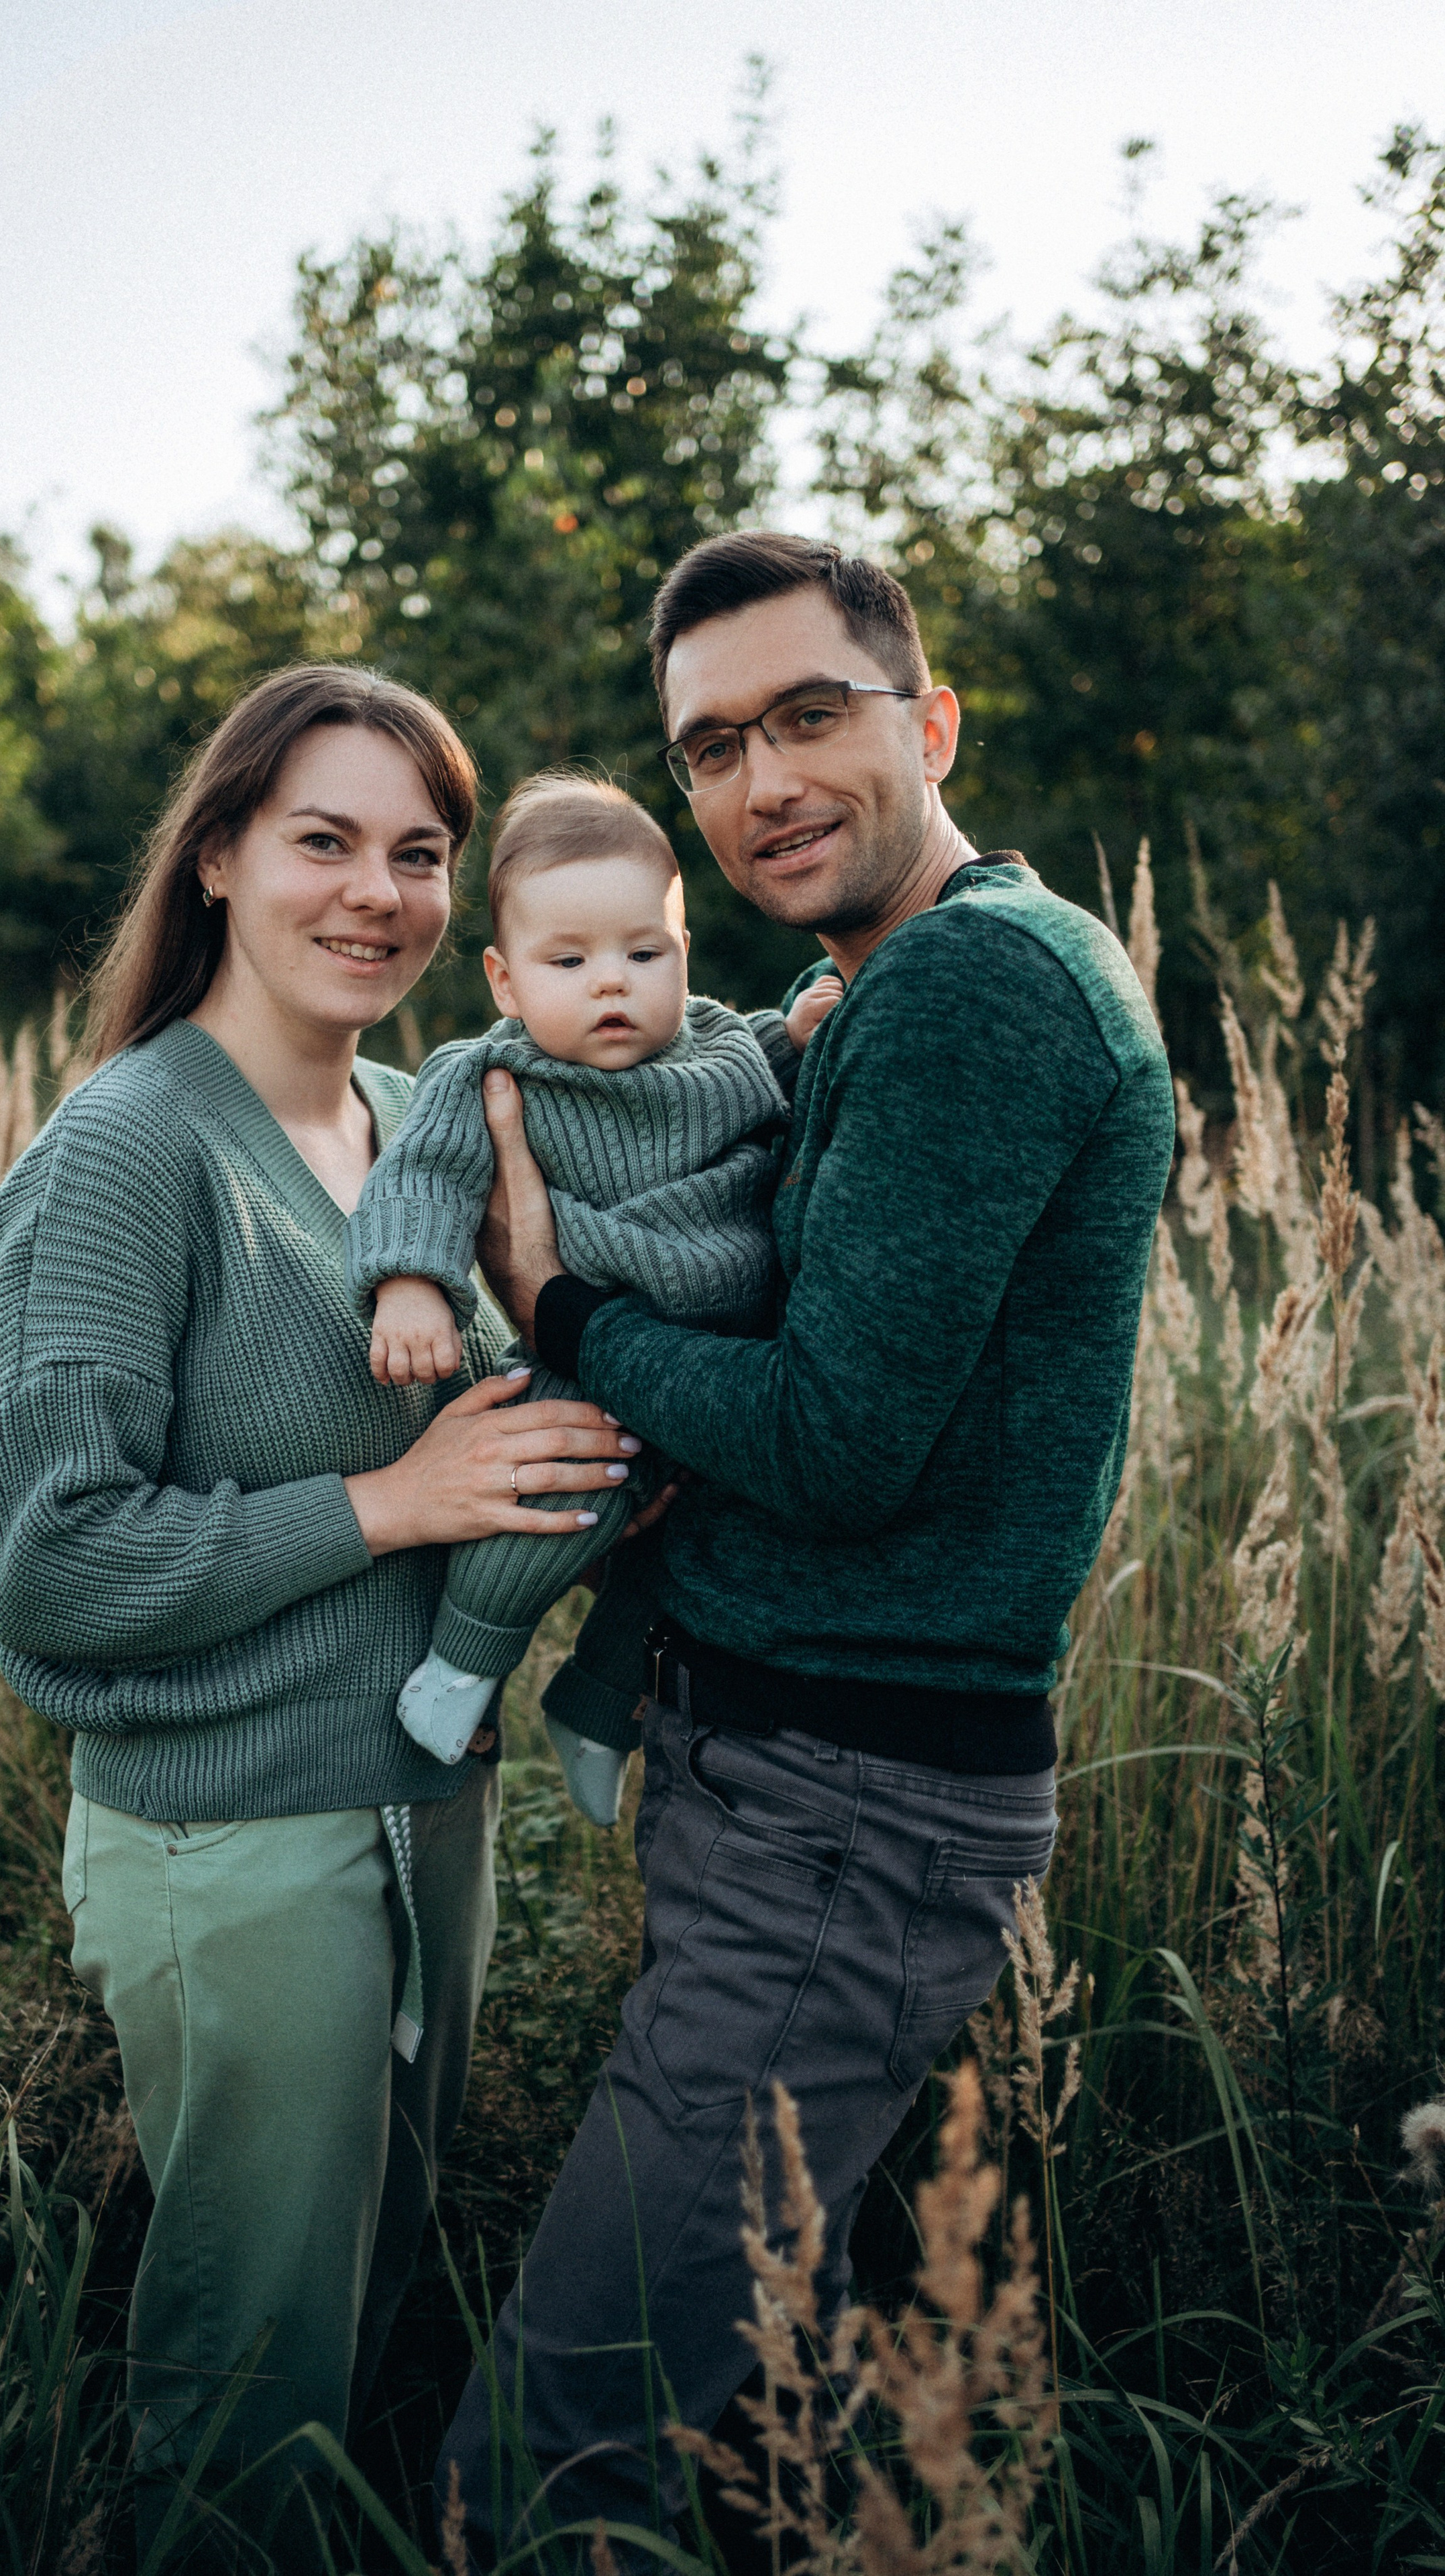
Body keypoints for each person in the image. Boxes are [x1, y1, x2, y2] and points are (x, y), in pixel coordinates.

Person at [437, 534, 1175, 2554]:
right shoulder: (882, 983)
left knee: (542, 2463)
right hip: (804, 1783)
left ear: (927, 721)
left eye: (810, 716)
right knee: (751, 2431)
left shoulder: (972, 990)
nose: (761, 780)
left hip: (845, 1811)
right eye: (712, 747)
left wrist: (562, 1302)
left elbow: (839, 1446)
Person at [0, 665, 643, 2566]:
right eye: (324, 841)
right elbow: (51, 1563)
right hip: (233, 1841)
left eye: (420, 855)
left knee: (365, 2322)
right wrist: (394, 1502)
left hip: (423, 1818)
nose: (379, 896)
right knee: (245, 2397)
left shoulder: (425, 1115)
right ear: (222, 859)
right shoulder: (127, 1153)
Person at [343, 772, 840, 1821]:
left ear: (684, 953)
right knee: (570, 1506)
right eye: (569, 962)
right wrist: (410, 1285)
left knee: (698, 1544)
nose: (611, 984)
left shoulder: (718, 1044)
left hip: (722, 1367)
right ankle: (462, 1666)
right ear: (507, 979)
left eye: (642, 953)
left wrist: (801, 1038)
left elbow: (766, 1079)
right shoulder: (493, 1074)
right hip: (591, 1361)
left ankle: (597, 1705)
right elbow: (423, 1178)